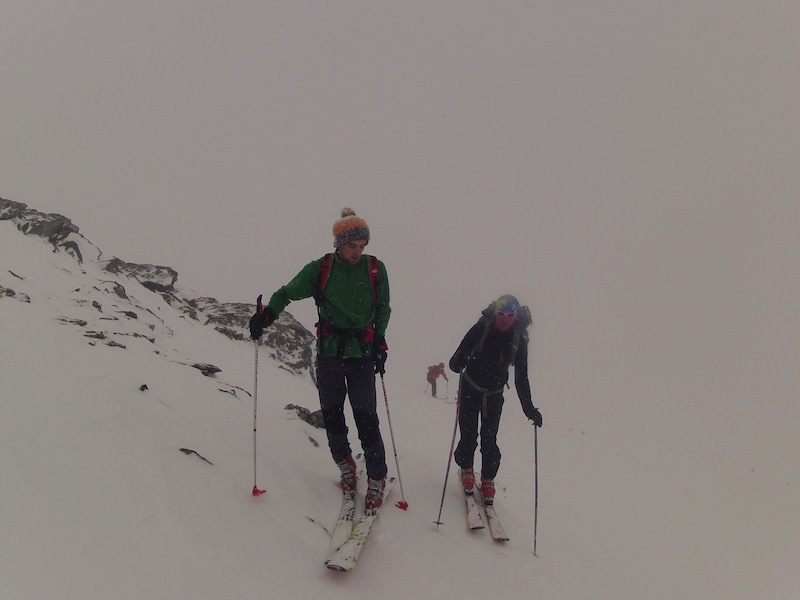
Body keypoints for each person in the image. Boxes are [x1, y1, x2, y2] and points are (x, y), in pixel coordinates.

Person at [249, 208, 391, 511]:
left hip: (362, 355)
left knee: (366, 417)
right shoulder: (321, 269)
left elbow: (383, 309)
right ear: (338, 243)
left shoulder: (375, 269)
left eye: (362, 246)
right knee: (332, 414)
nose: (357, 252)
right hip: (329, 354)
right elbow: (285, 293)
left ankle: (377, 475)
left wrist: (380, 341)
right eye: (352, 246)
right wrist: (267, 315)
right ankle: (344, 463)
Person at [448, 294, 542, 504]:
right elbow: (459, 354)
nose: (504, 319)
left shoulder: (519, 340)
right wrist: (457, 362)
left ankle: (488, 478)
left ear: (515, 316)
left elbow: (521, 378)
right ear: (496, 313)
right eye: (501, 314)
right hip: (470, 388)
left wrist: (529, 409)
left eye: (509, 315)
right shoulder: (482, 327)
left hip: (494, 395)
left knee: (489, 440)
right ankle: (467, 468)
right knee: (469, 434)